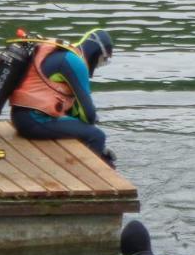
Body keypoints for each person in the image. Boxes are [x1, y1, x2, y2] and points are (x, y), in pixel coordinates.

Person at [9, 28, 116, 167]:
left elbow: (75, 109)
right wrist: (100, 149)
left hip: (21, 117)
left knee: (85, 129)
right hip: (33, 120)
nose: (98, 65)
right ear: (96, 53)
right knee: (97, 136)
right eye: (102, 61)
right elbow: (89, 115)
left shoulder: (64, 53)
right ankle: (91, 180)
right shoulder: (75, 62)